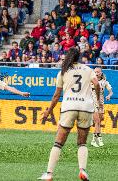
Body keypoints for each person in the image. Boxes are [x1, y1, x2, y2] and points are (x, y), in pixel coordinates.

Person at [38, 48, 101, 181]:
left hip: (69, 107)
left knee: (58, 143)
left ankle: (49, 174)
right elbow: (96, 83)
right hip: (86, 107)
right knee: (82, 143)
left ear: (68, 56)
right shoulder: (88, 69)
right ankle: (83, 171)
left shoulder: (63, 71)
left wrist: (48, 111)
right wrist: (98, 100)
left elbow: (56, 95)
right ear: (79, 57)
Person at [91, 67, 113, 148]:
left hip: (101, 103)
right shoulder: (91, 81)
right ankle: (99, 139)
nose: (96, 73)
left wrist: (109, 96)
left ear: (101, 73)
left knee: (98, 122)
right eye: (95, 72)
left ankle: (93, 140)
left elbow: (111, 92)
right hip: (93, 103)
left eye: (98, 72)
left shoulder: (104, 82)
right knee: (97, 121)